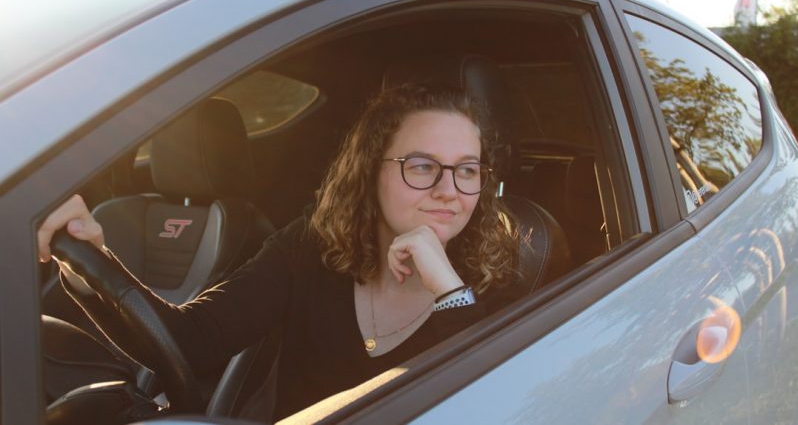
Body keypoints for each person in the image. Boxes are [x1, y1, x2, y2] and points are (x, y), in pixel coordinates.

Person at [37, 83, 523, 420]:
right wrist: (87, 260)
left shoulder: (499, 282)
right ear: (370, 170)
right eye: (422, 166)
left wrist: (447, 289)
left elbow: (497, 409)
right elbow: (189, 340)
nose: (448, 190)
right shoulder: (310, 249)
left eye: (467, 170)